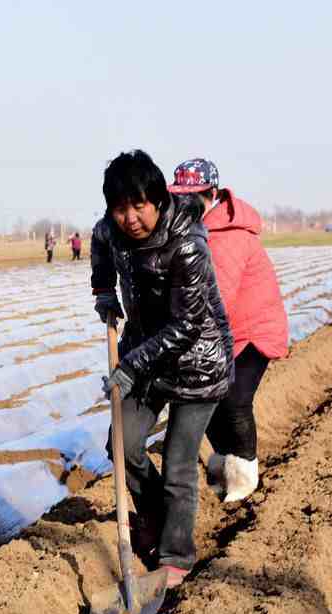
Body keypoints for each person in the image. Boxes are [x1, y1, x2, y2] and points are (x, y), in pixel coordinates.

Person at [92, 150, 234, 588]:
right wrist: (103, 290)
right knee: (122, 444)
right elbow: (99, 239)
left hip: (198, 361)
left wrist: (131, 365)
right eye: (120, 208)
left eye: (138, 206)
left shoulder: (187, 244)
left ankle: (176, 556)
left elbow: (188, 325)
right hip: (146, 354)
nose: (129, 218)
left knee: (177, 462)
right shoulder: (110, 230)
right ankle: (155, 519)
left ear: (157, 199)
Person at [168, 158, 288, 503]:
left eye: (194, 197)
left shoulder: (225, 236)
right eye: (179, 198)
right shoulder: (195, 231)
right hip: (225, 333)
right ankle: (223, 466)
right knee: (211, 400)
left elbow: (216, 296)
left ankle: (245, 477)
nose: (185, 204)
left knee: (234, 401)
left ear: (213, 194)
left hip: (252, 331)